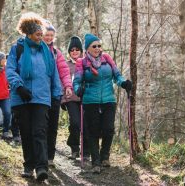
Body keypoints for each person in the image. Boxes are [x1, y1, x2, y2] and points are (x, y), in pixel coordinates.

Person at [7, 12, 62, 182]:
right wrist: (19, 86)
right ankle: (28, 165)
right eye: (38, 34)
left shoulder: (47, 52)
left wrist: (56, 95)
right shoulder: (18, 48)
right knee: (26, 132)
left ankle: (41, 168)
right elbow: (10, 70)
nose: (41, 37)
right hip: (21, 98)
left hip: (41, 98)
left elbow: (53, 75)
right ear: (29, 33)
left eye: (42, 34)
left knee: (39, 131)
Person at [73, 33, 132, 174]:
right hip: (90, 101)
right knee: (92, 131)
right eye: (95, 46)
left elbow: (117, 75)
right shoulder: (82, 63)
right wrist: (78, 90)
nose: (98, 48)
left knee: (108, 129)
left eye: (99, 45)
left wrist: (123, 83)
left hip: (108, 99)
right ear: (87, 48)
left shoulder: (107, 59)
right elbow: (76, 81)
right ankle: (96, 162)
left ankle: (105, 156)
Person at [42, 21, 72, 167]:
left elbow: (64, 71)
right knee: (42, 126)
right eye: (46, 35)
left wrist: (67, 85)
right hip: (40, 95)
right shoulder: (37, 50)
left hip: (55, 94)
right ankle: (41, 157)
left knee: (53, 127)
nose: (48, 38)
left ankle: (49, 158)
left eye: (51, 35)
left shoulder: (56, 53)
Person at [61, 36, 90, 160]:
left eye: (77, 49)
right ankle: (74, 147)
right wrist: (62, 99)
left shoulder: (87, 63)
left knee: (86, 124)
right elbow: (62, 81)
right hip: (71, 98)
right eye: (72, 50)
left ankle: (86, 151)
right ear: (69, 52)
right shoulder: (66, 65)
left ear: (81, 51)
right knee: (75, 123)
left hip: (85, 98)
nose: (74, 52)